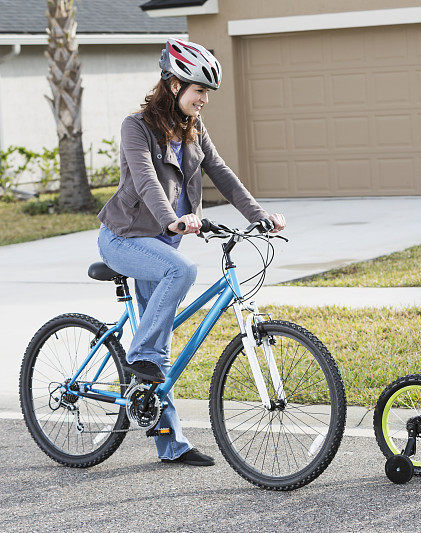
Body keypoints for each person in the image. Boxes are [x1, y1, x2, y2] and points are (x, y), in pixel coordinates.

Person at [96, 39, 286, 466]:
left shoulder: (193, 129)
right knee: (177, 279)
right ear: (174, 83)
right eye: (199, 90)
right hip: (124, 237)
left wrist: (259, 215)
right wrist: (172, 219)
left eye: (206, 94)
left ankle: (170, 443)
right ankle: (139, 360)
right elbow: (145, 179)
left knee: (160, 342)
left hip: (161, 242)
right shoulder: (136, 126)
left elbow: (222, 173)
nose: (203, 100)